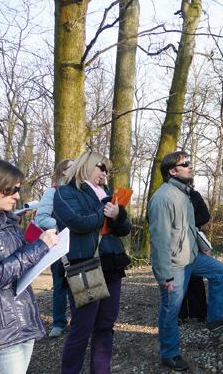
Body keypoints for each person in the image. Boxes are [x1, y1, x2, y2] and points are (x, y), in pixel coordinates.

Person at [148, 151, 223, 371]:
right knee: (171, 309)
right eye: (185, 164)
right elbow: (159, 241)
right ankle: (169, 353)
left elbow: (189, 229)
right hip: (174, 265)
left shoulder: (184, 194)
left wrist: (201, 246)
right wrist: (164, 275)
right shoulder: (163, 198)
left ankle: (215, 317)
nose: (191, 166)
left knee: (221, 272)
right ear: (172, 171)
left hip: (192, 257)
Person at [53, 152, 132, 374]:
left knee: (106, 325)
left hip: (111, 264)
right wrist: (104, 210)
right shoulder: (66, 192)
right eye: (101, 167)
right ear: (86, 165)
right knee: (82, 328)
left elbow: (125, 229)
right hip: (84, 266)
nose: (105, 173)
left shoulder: (107, 193)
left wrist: (119, 215)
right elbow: (78, 222)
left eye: (108, 170)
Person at [0, 159, 59, 373]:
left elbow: (18, 263)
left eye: (18, 189)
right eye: (11, 189)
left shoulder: (8, 222)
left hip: (23, 323)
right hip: (1, 332)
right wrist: (40, 247)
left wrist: (46, 249)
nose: (18, 196)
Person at [34, 158, 73, 338]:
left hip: (78, 245)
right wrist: (66, 224)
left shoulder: (80, 191)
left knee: (78, 281)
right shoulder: (52, 192)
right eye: (72, 167)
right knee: (60, 284)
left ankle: (80, 321)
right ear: (63, 171)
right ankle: (59, 322)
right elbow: (41, 219)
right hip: (58, 245)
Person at [178, 187, 210, 322]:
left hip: (192, 240)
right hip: (175, 242)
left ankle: (199, 313)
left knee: (195, 277)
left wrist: (189, 225)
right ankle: (180, 315)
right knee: (179, 278)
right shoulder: (166, 196)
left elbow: (205, 216)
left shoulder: (195, 195)